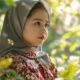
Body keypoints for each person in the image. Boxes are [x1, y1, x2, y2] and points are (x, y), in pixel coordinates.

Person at [0, 0, 57, 80]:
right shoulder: (8, 62)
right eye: (37, 23)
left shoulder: (44, 58)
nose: (44, 30)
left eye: (46, 25)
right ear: (18, 24)